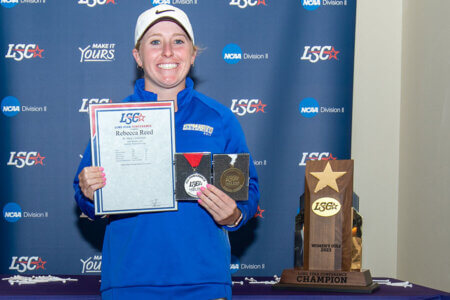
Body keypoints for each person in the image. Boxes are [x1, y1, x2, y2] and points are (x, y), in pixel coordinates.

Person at [73, 4, 260, 300]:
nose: (168, 52)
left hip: (204, 283)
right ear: (138, 56)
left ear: (193, 54)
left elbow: (247, 187)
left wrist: (234, 215)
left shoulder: (219, 118)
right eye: (155, 41)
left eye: (178, 41)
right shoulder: (113, 120)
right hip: (129, 283)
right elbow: (86, 198)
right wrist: (88, 191)